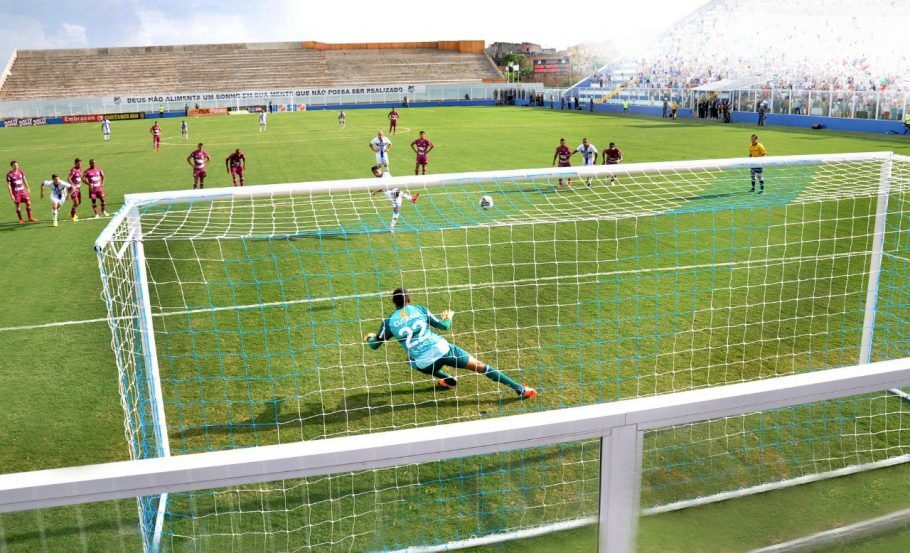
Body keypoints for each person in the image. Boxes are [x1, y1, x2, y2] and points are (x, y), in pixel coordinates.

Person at [365, 288, 536, 399]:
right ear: (409, 299)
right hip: (443, 350)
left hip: (426, 363)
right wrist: (448, 317)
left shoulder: (389, 322)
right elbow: (444, 326)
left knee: (410, 359)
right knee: (480, 366)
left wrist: (370, 337)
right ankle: (519, 388)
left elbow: (375, 345)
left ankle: (447, 378)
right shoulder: (419, 309)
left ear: (393, 302)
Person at [370, 165, 418, 233]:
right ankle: (392, 227)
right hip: (390, 193)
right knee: (397, 203)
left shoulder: (386, 174)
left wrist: (375, 191)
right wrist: (375, 191)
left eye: (376, 171)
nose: (376, 174)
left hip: (393, 191)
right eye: (374, 173)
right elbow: (384, 188)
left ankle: (411, 199)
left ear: (380, 170)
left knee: (397, 205)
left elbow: (385, 186)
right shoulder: (379, 179)